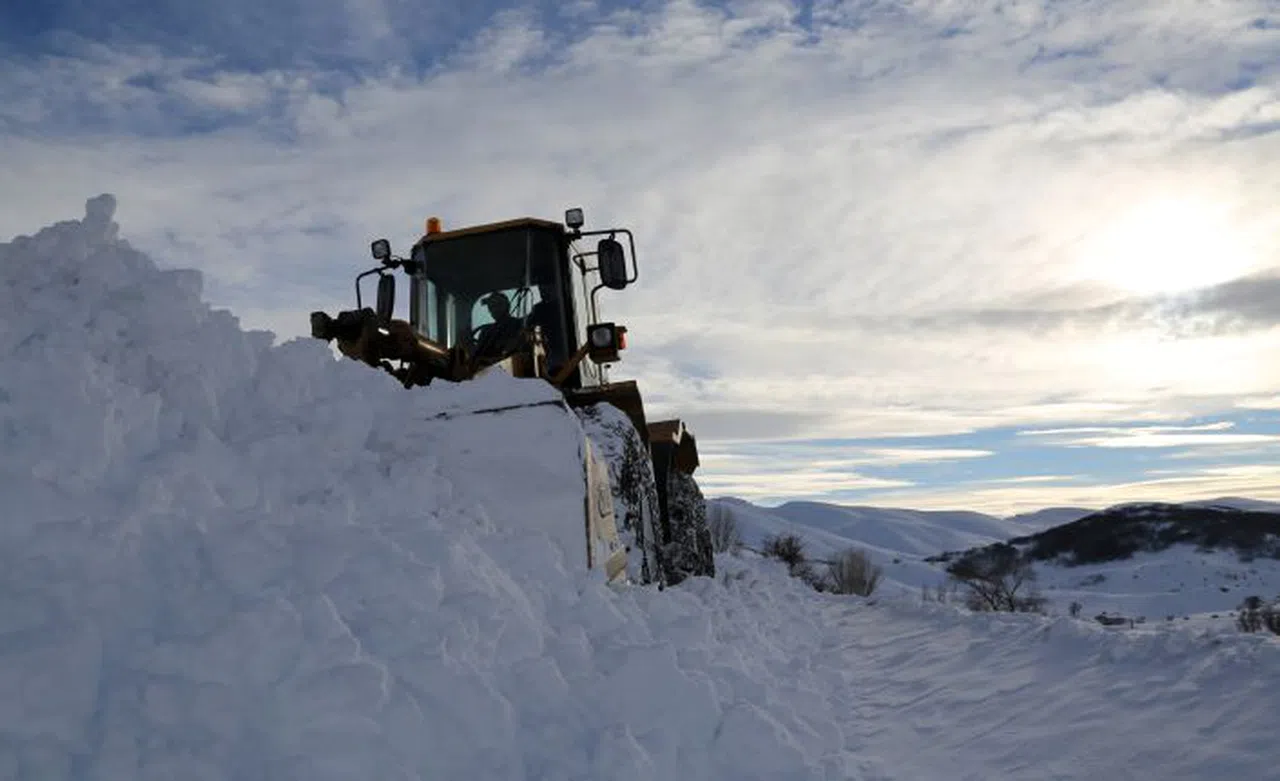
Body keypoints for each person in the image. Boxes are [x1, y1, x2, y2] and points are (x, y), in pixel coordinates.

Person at [472, 291, 524, 357]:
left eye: (499, 304)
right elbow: (478, 356)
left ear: (508, 306)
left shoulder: (520, 324)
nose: (496, 309)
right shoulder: (486, 331)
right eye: (492, 306)